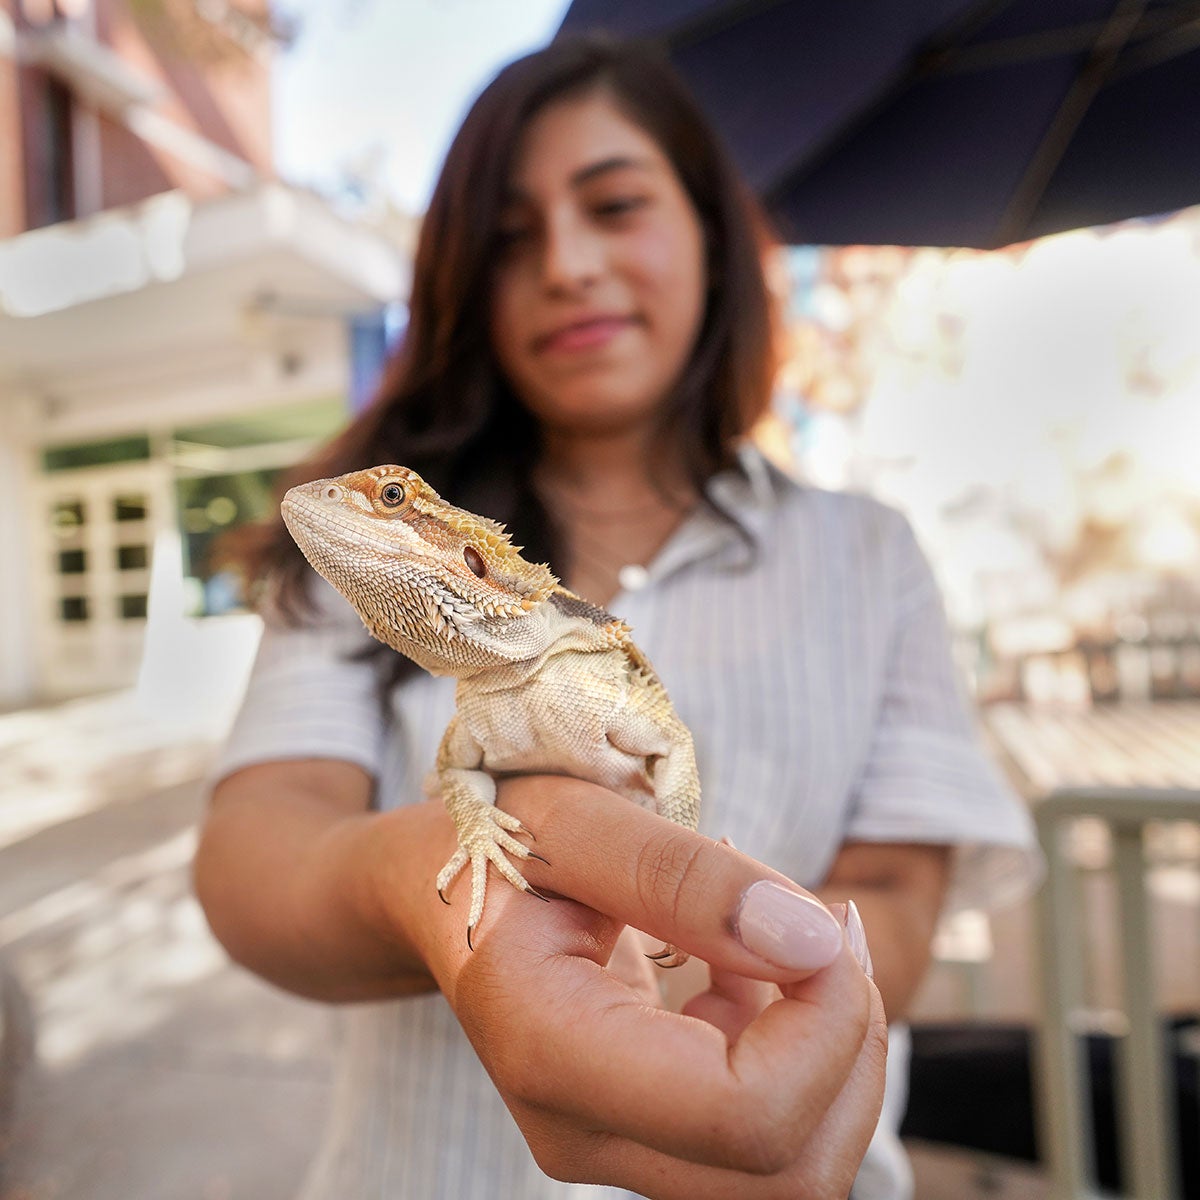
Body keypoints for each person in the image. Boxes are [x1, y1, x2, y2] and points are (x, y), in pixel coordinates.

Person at [194, 34, 1035, 1200]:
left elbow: (898, 890)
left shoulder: (869, 552)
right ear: (462, 287)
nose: (571, 264)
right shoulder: (372, 564)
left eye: (616, 204)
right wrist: (427, 876)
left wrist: (746, 974)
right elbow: (252, 861)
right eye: (509, 237)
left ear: (708, 231)